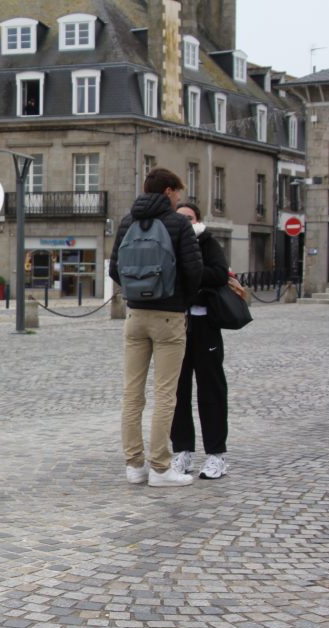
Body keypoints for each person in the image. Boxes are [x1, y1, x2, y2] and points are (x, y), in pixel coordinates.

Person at [108, 168, 202, 488]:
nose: (179, 198)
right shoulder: (178, 223)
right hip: (169, 316)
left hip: (135, 317)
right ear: (167, 192)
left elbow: (114, 269)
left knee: (132, 394)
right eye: (177, 192)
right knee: (166, 394)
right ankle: (161, 467)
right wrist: (181, 303)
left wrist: (137, 293)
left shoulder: (126, 222)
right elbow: (194, 271)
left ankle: (134, 466)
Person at [169, 202, 231, 480]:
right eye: (179, 218)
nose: (184, 222)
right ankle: (182, 450)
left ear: (197, 220)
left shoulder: (208, 242)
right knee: (177, 391)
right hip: (176, 324)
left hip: (205, 322)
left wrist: (191, 273)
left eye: (189, 218)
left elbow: (219, 273)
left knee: (211, 389)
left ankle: (216, 454)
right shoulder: (168, 242)